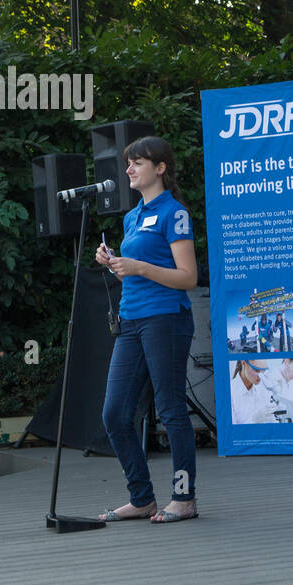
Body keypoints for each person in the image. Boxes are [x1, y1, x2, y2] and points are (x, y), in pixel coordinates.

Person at [95, 135, 199, 524]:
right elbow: (137, 273)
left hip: (165, 319)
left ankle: (184, 498)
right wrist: (115, 264)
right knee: (115, 414)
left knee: (171, 409)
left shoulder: (175, 214)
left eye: (137, 162)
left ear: (160, 168)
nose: (129, 169)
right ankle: (142, 498)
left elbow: (188, 277)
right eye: (127, 163)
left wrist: (137, 267)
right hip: (131, 320)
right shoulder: (132, 216)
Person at [230, 359, 284, 424]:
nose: (261, 377)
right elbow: (231, 432)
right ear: (243, 362)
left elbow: (270, 420)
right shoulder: (230, 392)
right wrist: (255, 421)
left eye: (263, 370)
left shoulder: (262, 389)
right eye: (257, 370)